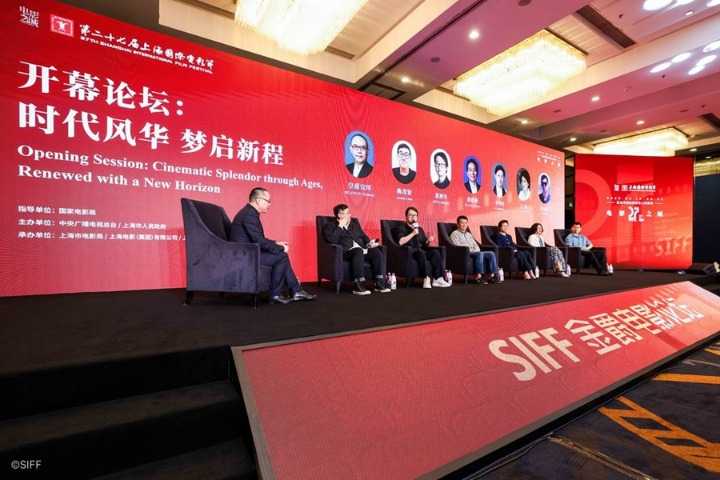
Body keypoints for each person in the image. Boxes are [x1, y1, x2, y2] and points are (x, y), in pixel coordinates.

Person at [230, 187, 317, 304]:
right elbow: (259, 241)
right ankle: (281, 294)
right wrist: (281, 248)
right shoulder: (249, 215)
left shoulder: (249, 212)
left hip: (249, 252)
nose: (269, 204)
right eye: (268, 201)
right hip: (245, 256)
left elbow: (258, 239)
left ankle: (294, 291)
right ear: (258, 200)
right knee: (281, 256)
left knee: (281, 255)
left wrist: (276, 243)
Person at [322, 204, 390, 295]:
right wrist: (340, 227)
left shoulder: (354, 225)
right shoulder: (330, 226)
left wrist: (369, 243)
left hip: (360, 251)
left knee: (376, 252)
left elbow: (363, 236)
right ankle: (359, 286)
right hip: (343, 252)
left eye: (348, 213)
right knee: (358, 251)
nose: (348, 215)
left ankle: (379, 284)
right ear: (339, 215)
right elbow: (331, 240)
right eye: (344, 213)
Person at [392, 207, 450, 288]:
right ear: (406, 216)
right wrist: (413, 233)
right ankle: (426, 279)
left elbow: (424, 244)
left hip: (421, 250)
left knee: (435, 253)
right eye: (410, 215)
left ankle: (438, 279)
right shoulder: (401, 228)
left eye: (415, 215)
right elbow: (400, 242)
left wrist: (428, 241)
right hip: (409, 253)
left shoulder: (420, 229)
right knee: (421, 254)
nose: (413, 217)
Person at [449, 215, 499, 283]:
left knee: (491, 253)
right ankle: (478, 276)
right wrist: (471, 249)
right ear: (458, 224)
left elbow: (476, 245)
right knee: (480, 254)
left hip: (474, 251)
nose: (464, 225)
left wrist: (476, 250)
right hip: (464, 253)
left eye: (465, 223)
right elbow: (457, 246)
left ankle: (492, 275)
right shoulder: (454, 234)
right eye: (462, 223)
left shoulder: (469, 234)